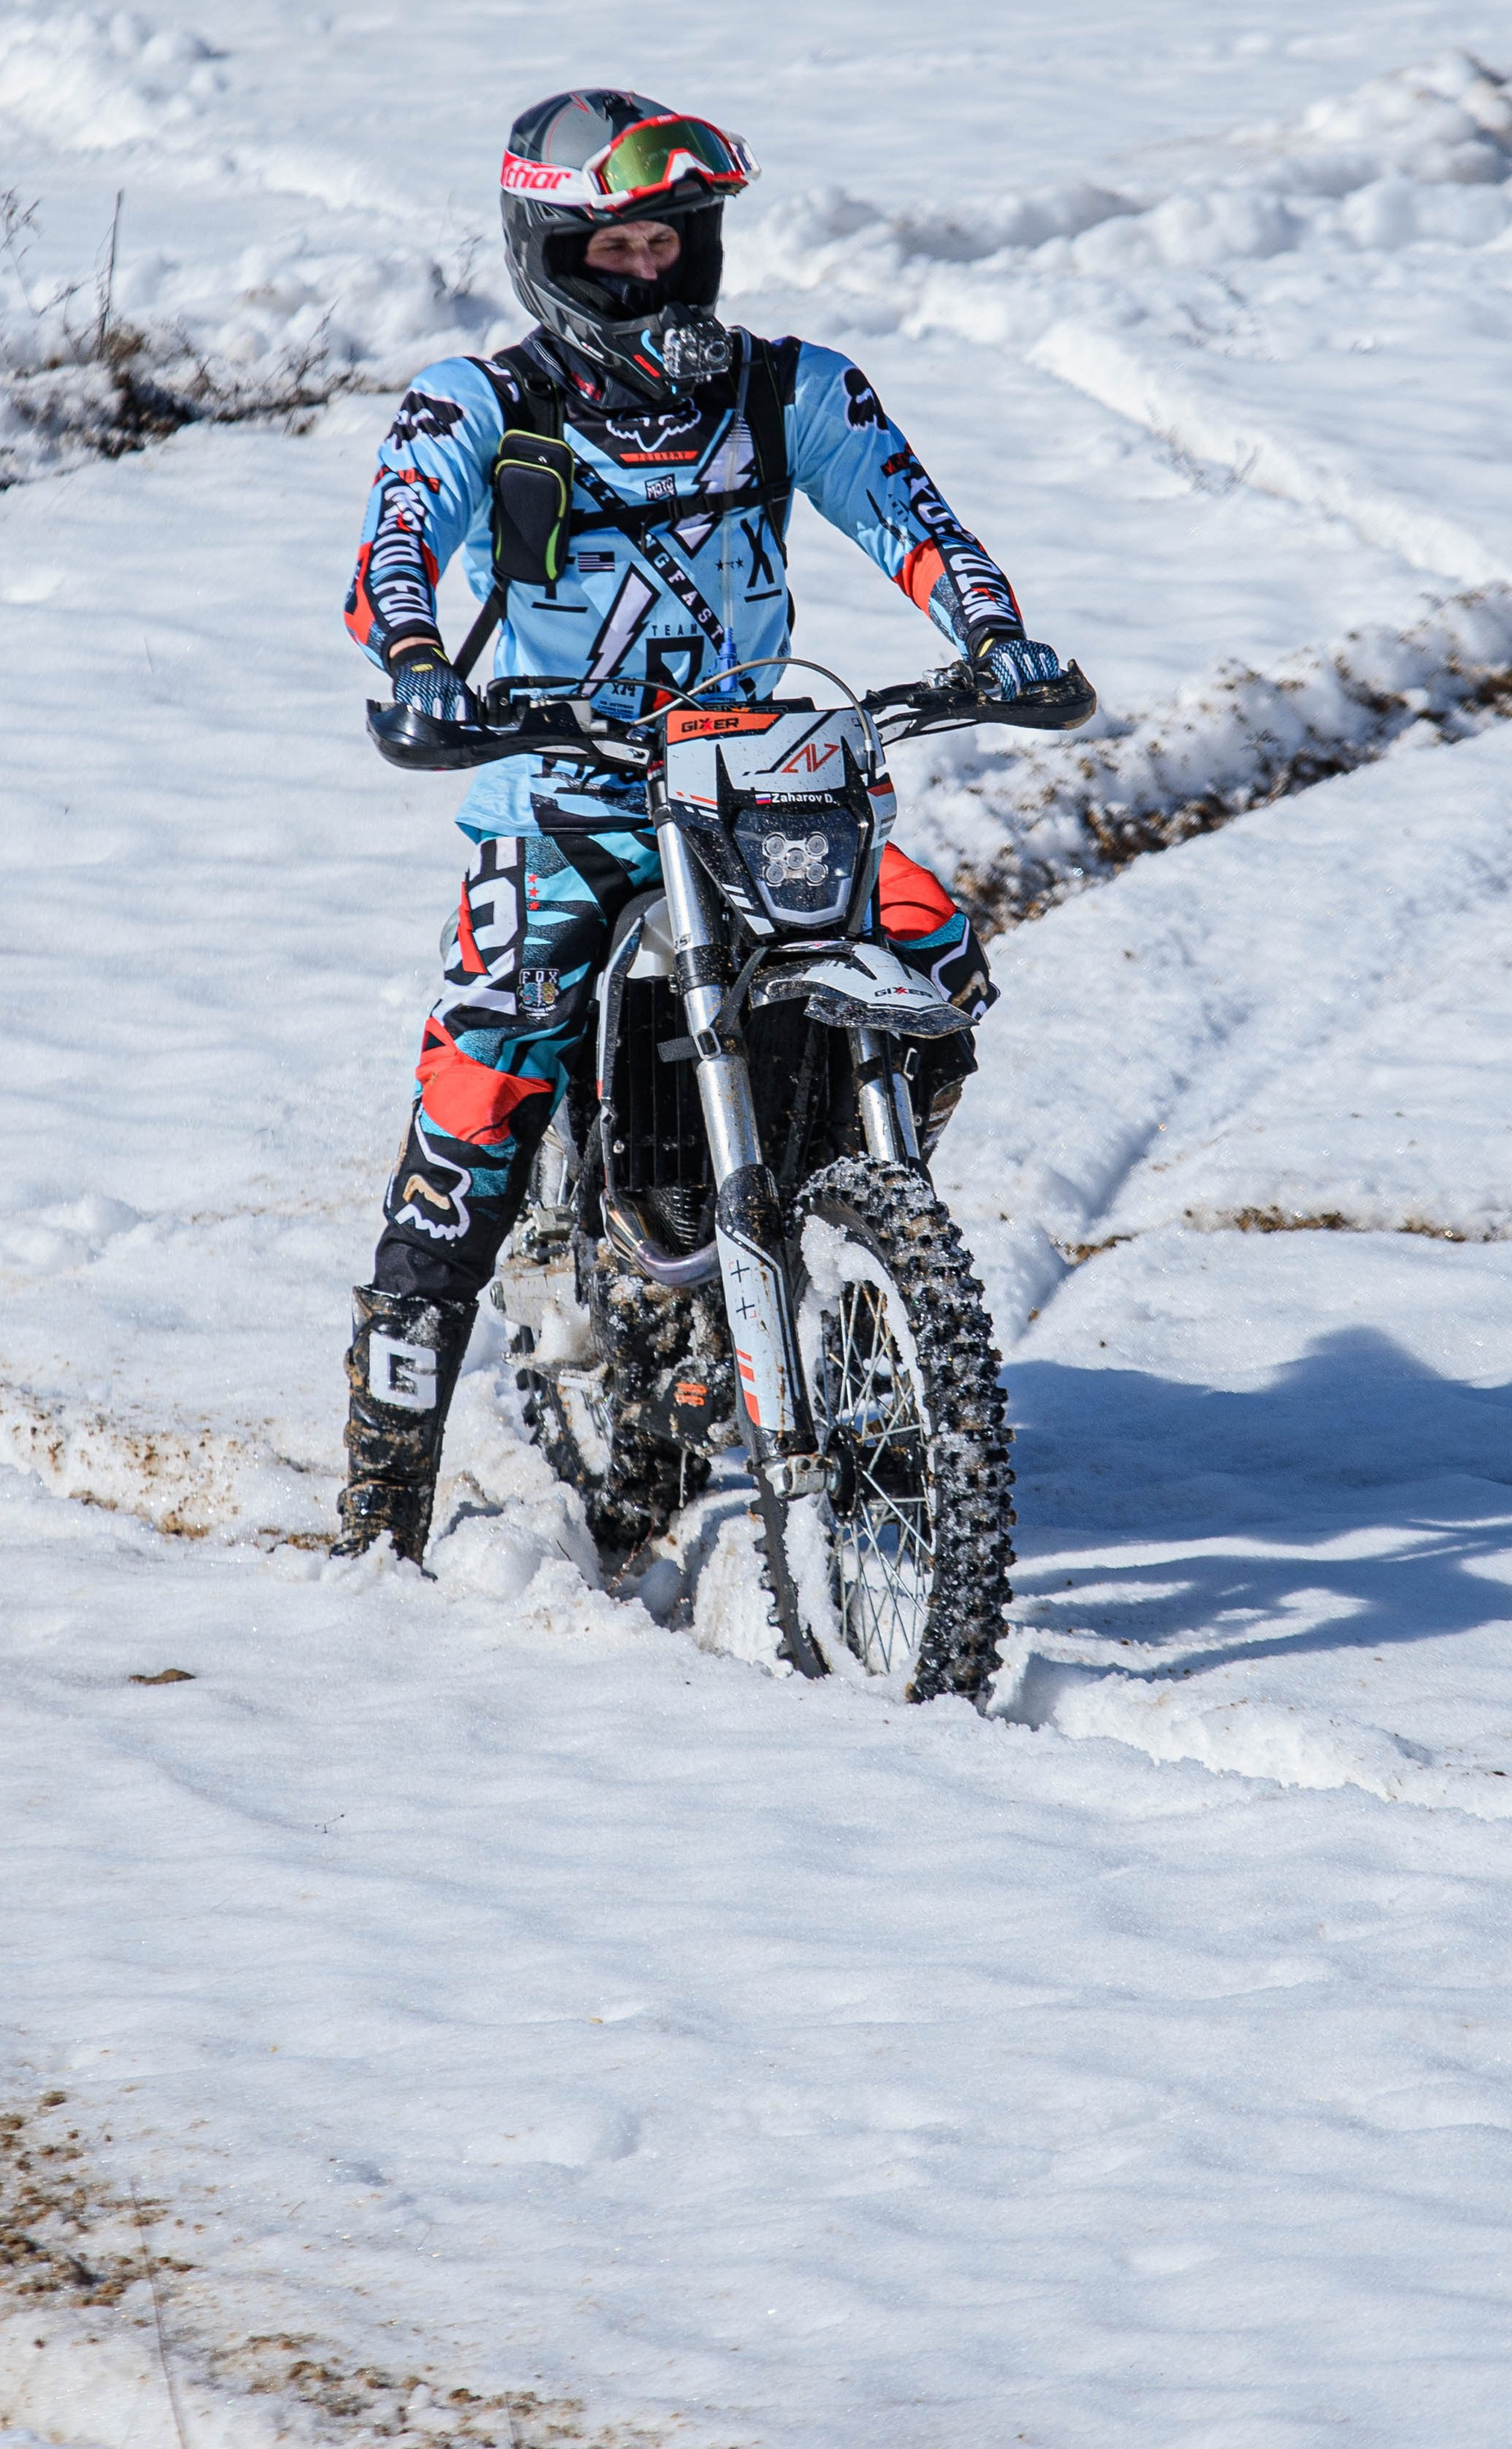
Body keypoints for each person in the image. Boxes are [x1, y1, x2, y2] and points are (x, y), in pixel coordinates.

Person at [333, 88, 1070, 1562]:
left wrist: (996, 638)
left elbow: (916, 521)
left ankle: (837, 1252)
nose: (647, 272)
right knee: (477, 1094)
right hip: (565, 796)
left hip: (762, 783)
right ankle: (380, 1499)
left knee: (937, 959)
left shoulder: (793, 389)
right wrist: (416, 664)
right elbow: (392, 548)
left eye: (669, 244)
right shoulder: (477, 403)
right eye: (613, 250)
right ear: (548, 253)